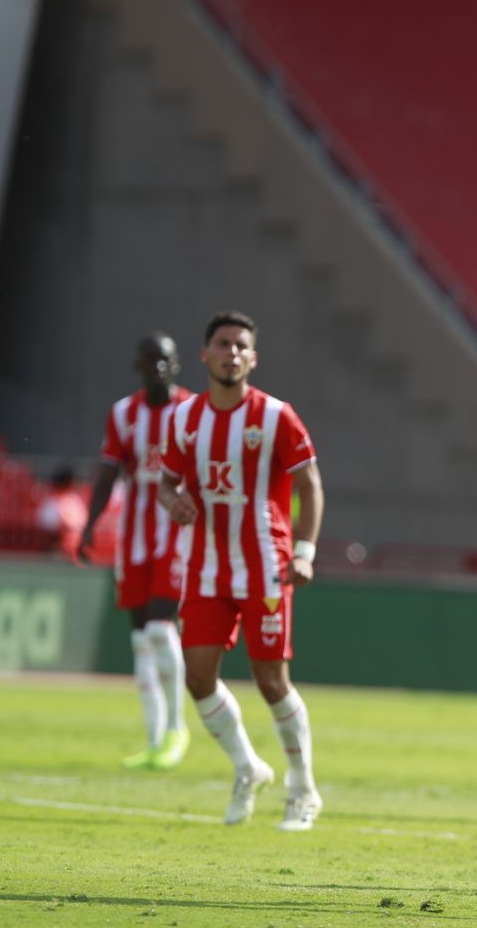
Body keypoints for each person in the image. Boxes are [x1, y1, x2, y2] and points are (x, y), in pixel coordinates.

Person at [156, 311, 326, 831]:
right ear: (205, 355)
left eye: (241, 346)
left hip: (267, 566)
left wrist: (304, 551)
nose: (231, 352)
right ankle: (248, 768)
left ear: (253, 358)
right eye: (222, 344)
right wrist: (173, 502)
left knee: (270, 680)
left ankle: (303, 789)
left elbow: (310, 485)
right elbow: (166, 483)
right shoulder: (184, 419)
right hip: (207, 567)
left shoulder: (276, 416)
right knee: (198, 676)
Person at [79, 334, 194, 770]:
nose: (157, 367)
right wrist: (90, 523)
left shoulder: (191, 411)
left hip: (175, 530)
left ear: (175, 364)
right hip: (135, 535)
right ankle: (154, 738)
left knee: (163, 630)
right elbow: (108, 471)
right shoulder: (124, 414)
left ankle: (176, 729)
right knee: (141, 639)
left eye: (163, 359)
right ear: (138, 367)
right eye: (149, 360)